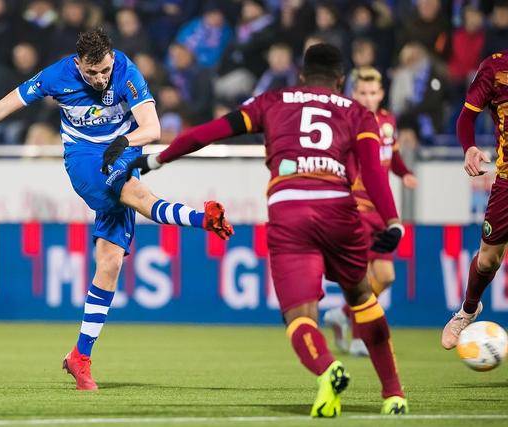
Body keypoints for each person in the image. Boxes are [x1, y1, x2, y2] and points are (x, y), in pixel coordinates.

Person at [0, 27, 233, 391]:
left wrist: (125, 140)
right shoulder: (56, 76)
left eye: (104, 70)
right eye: (92, 72)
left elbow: (152, 128)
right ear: (78, 65)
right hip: (85, 159)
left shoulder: (126, 70)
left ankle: (80, 356)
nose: (100, 78)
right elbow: (2, 107)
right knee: (137, 194)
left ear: (112, 58)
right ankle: (203, 219)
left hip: (121, 152)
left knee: (110, 263)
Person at [128, 44, 407, 417]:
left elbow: (211, 132)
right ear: (341, 81)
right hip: (339, 209)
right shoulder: (358, 113)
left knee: (299, 315)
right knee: (361, 297)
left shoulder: (273, 101)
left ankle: (328, 368)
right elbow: (373, 171)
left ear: (302, 76)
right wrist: (393, 221)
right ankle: (394, 395)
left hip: (289, 210)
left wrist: (158, 158)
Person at [324, 67, 418, 357]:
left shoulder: (388, 121)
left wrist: (404, 173)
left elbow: (393, 156)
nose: (367, 98)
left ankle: (342, 313)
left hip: (381, 210)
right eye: (362, 93)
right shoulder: (347, 121)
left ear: (381, 94)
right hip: (356, 207)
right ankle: (358, 339)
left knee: (386, 276)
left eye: (372, 93)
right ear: (353, 94)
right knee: (362, 278)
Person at [441, 49, 508, 349]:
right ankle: (468, 311)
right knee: (488, 259)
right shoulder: (495, 67)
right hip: (507, 180)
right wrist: (469, 147)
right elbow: (466, 118)